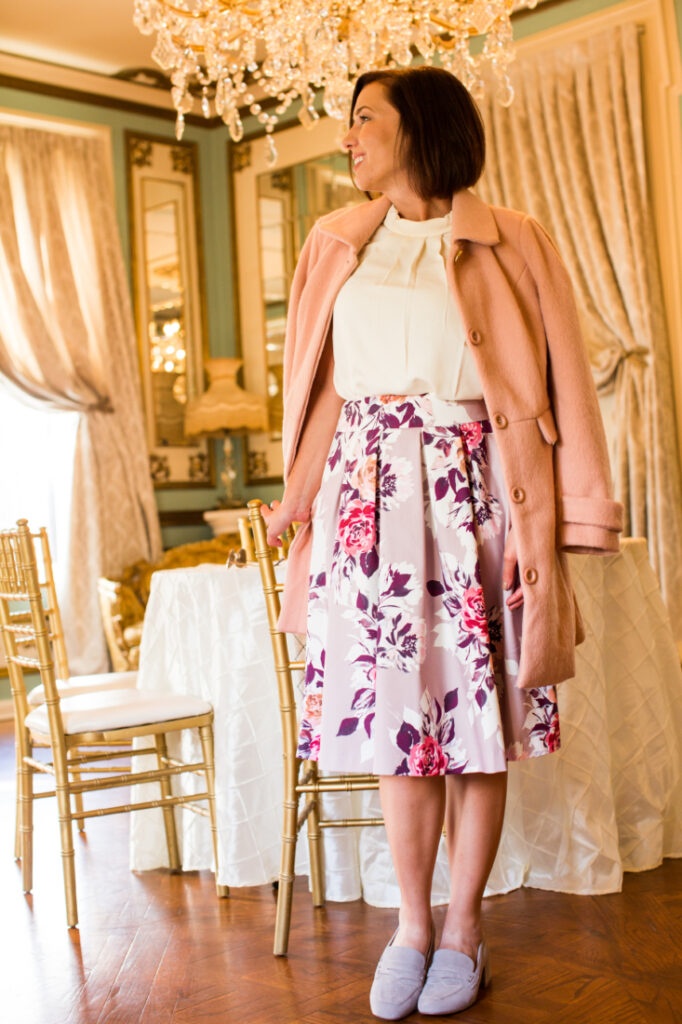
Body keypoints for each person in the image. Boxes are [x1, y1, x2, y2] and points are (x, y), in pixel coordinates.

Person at [262, 66, 622, 1020]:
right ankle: (411, 928)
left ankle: (464, 928)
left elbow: (563, 384)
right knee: (397, 731)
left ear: (417, 128)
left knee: (469, 736)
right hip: (370, 501)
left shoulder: (513, 238)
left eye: (362, 119)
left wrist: (575, 513)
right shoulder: (336, 244)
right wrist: (294, 501)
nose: (346, 138)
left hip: (478, 497)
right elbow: (324, 389)